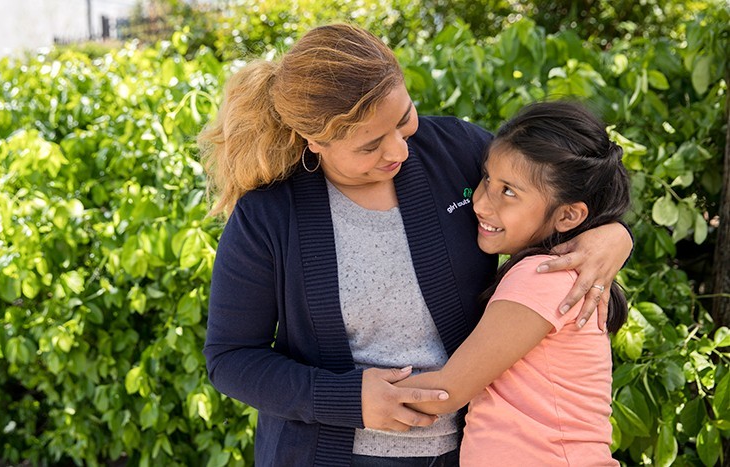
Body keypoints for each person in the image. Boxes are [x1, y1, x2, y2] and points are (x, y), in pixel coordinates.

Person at [199, 23, 633, 466]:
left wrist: (615, 235)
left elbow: (554, 196)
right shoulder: (270, 215)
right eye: (370, 146)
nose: (400, 151)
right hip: (327, 455)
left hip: (467, 449)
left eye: (404, 119)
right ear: (315, 141)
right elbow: (231, 358)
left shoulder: (457, 151)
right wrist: (347, 398)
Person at [396, 101, 628, 466]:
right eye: (487, 178)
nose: (481, 203)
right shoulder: (555, 274)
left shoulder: (542, 277)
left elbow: (448, 390)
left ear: (568, 215)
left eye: (509, 192)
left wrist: (351, 397)